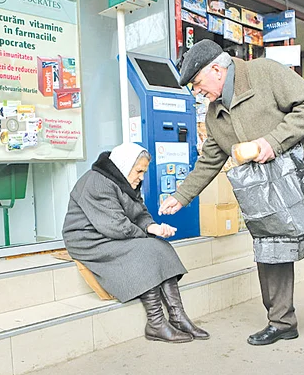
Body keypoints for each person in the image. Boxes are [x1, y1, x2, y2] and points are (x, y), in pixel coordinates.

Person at [159, 39, 304, 359]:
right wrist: (181, 195)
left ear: (217, 70)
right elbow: (210, 160)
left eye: (198, 84)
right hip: (271, 194)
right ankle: (281, 321)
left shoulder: (265, 73)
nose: (198, 92)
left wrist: (272, 141)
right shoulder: (215, 115)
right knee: (271, 254)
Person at [62, 142, 209, 343]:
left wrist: (153, 227)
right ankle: (156, 323)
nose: (141, 177)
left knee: (160, 246)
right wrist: (147, 233)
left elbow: (139, 213)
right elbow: (115, 226)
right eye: (139, 171)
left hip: (111, 232)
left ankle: (177, 316)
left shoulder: (126, 181)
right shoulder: (97, 182)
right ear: (124, 165)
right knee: (146, 249)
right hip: (88, 238)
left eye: (144, 172)